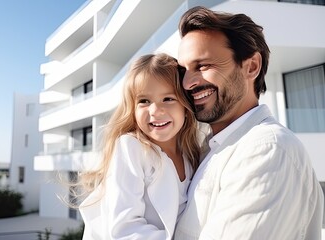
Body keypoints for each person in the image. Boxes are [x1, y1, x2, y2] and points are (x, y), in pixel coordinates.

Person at [174, 6, 324, 240]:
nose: (187, 83)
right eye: (184, 70)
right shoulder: (210, 148)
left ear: (251, 66)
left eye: (203, 66)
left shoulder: (266, 149)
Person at [78, 53, 201, 239]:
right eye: (144, 101)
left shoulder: (190, 154)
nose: (155, 111)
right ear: (132, 109)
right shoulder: (131, 148)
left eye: (168, 99)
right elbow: (124, 229)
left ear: (186, 105)